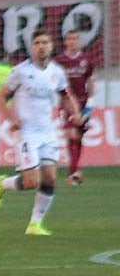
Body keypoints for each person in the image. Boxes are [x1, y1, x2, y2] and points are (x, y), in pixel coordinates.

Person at [0, 30, 81, 235]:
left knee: (50, 179)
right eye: (37, 42)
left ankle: (35, 224)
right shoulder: (20, 71)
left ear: (51, 46)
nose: (41, 46)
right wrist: (11, 119)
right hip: (27, 133)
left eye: (45, 42)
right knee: (32, 182)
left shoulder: (56, 72)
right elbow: (1, 97)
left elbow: (66, 96)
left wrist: (75, 115)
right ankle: (3, 183)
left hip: (48, 132)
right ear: (32, 47)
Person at [54, 29, 94, 185]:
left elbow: (91, 83)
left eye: (75, 39)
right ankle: (75, 171)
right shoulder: (59, 61)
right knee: (72, 134)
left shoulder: (87, 60)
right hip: (67, 103)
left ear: (79, 41)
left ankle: (75, 170)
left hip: (83, 102)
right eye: (69, 39)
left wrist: (90, 106)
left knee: (79, 136)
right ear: (65, 42)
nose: (72, 42)